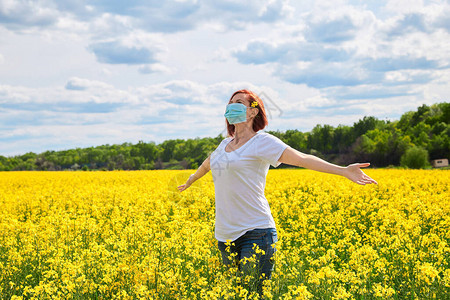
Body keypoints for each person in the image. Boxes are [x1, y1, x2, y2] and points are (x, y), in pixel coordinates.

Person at [177, 89, 377, 294]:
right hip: (224, 236)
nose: (231, 106)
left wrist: (342, 170)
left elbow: (302, 158)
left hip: (256, 232)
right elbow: (208, 164)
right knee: (236, 294)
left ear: (253, 112)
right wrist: (191, 179)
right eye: (230, 102)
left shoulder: (262, 142)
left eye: (238, 102)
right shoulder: (224, 144)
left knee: (254, 294)